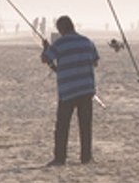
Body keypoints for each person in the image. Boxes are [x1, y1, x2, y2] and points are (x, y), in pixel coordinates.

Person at [40, 15, 101, 165]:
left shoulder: (60, 44)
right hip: (86, 89)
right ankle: (86, 157)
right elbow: (95, 62)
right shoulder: (87, 42)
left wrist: (46, 48)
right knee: (85, 125)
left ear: (61, 29)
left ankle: (60, 158)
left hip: (68, 90)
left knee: (62, 125)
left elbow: (45, 58)